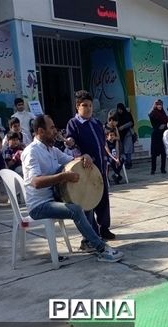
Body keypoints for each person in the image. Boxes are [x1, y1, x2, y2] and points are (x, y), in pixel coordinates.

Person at [21, 115, 123, 262]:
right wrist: (63, 177)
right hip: (39, 205)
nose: (55, 131)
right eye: (51, 128)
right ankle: (101, 249)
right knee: (76, 209)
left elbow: (72, 160)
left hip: (53, 198)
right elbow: (35, 182)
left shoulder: (52, 150)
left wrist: (84, 157)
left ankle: (87, 242)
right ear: (41, 131)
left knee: (86, 201)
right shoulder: (32, 152)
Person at [66, 90, 116, 241]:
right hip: (85, 170)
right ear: (77, 106)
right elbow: (71, 145)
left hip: (100, 168)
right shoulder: (73, 124)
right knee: (88, 201)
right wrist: (71, 143)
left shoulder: (96, 123)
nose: (88, 108)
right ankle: (92, 233)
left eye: (90, 105)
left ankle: (104, 228)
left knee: (103, 198)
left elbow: (102, 144)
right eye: (84, 105)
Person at [148, 99, 168, 175]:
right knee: (154, 154)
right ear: (156, 105)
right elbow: (149, 115)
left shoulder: (163, 113)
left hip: (163, 135)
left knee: (163, 152)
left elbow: (166, 121)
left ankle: (163, 169)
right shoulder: (153, 113)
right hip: (156, 134)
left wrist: (164, 125)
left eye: (161, 105)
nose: (160, 106)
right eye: (158, 104)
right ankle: (153, 169)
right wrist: (158, 126)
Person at [116, 103, 136, 169]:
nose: (120, 111)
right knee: (123, 150)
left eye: (121, 109)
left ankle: (129, 163)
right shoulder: (116, 116)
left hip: (128, 134)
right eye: (118, 109)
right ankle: (124, 163)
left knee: (128, 150)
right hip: (120, 135)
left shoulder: (127, 114)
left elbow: (131, 123)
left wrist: (123, 127)